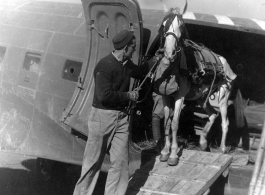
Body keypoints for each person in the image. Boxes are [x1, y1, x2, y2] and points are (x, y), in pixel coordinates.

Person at [73, 29, 148, 195]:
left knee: (120, 164)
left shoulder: (127, 65)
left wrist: (159, 58)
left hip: (121, 119)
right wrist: (129, 95)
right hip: (102, 117)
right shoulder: (104, 66)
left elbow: (141, 72)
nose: (135, 50)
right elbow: (104, 96)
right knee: (92, 163)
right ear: (125, 47)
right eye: (133, 47)